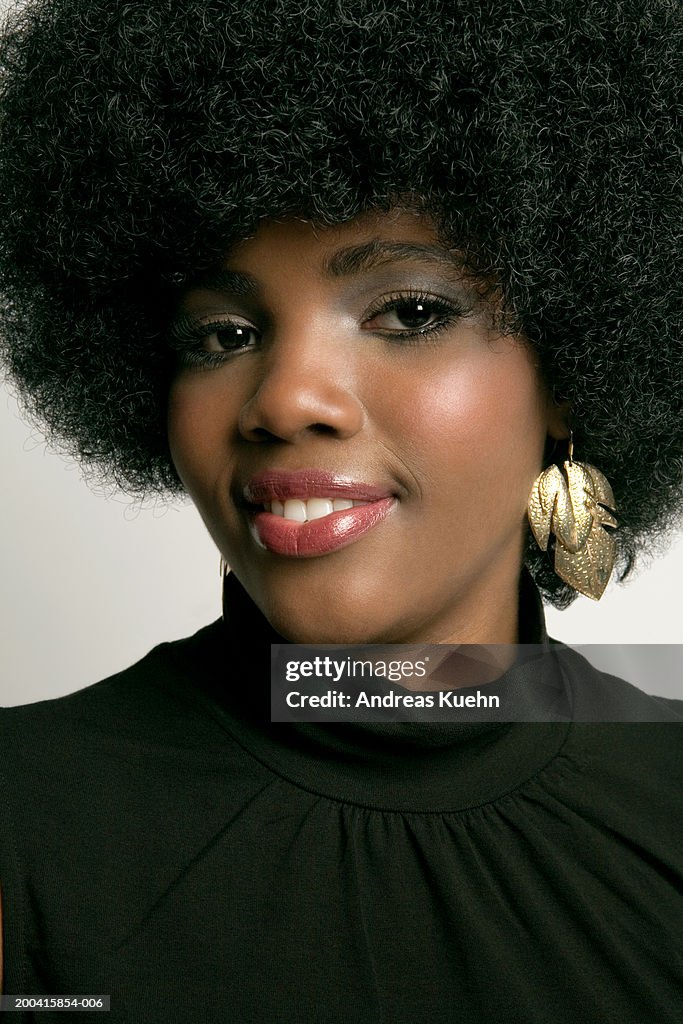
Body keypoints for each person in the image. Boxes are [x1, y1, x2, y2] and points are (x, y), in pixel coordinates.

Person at [0, 0, 681, 1021]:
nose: (283, 399)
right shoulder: (27, 819)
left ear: (575, 369)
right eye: (222, 334)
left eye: (409, 312)